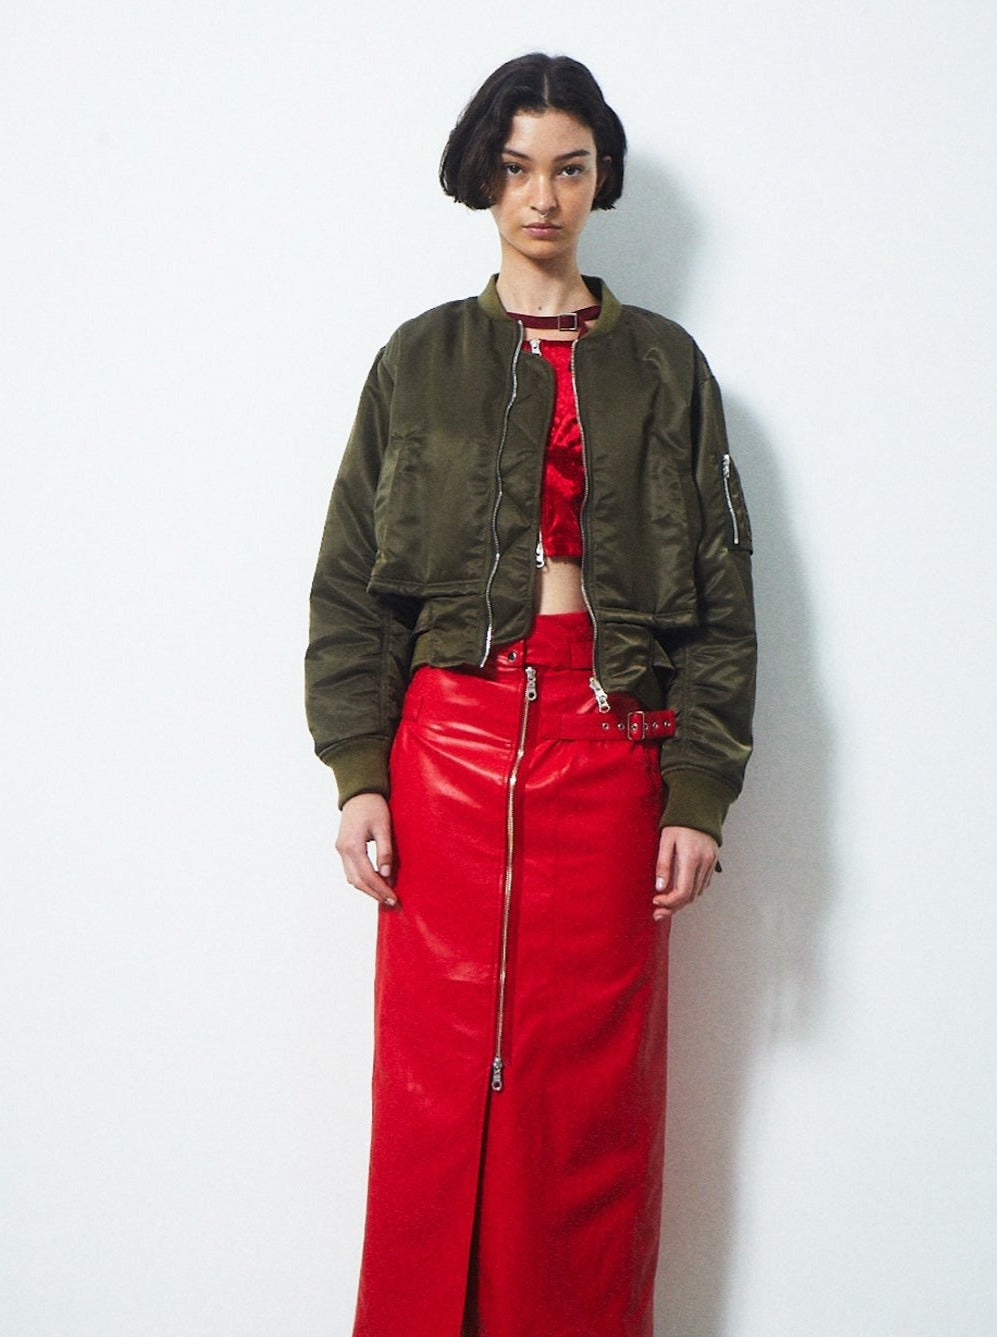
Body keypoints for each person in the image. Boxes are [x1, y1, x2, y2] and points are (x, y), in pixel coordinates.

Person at [306, 52, 755, 1337]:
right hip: (443, 753)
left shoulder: (667, 368)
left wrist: (698, 793)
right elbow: (349, 586)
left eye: (567, 167)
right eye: (515, 169)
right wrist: (359, 772)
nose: (541, 197)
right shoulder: (417, 359)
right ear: (482, 179)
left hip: (613, 753)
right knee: (437, 1094)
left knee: (586, 1100)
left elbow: (723, 602)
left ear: (600, 178)